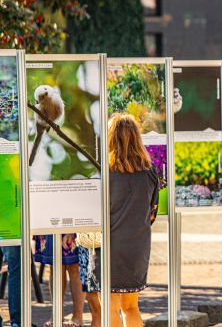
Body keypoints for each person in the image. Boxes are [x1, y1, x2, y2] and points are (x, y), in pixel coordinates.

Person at [92, 114, 159, 327]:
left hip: (109, 247)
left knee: (110, 307)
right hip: (137, 248)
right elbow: (152, 214)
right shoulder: (149, 172)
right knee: (131, 307)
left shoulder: (104, 172)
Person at [33, 234, 85, 327]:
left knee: (74, 266)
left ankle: (77, 316)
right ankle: (56, 315)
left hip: (74, 221)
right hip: (48, 221)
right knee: (55, 265)